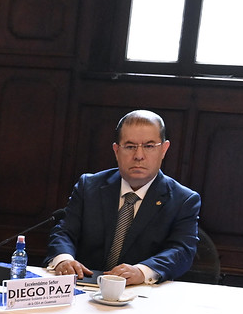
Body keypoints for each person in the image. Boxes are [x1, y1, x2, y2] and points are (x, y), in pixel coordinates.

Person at [45, 110, 199, 284]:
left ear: (164, 149)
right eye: (130, 146)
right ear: (116, 150)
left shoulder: (183, 200)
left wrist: (142, 271)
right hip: (84, 286)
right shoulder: (89, 186)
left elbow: (182, 250)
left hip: (140, 294)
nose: (139, 156)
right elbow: (65, 231)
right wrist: (64, 259)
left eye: (149, 146)